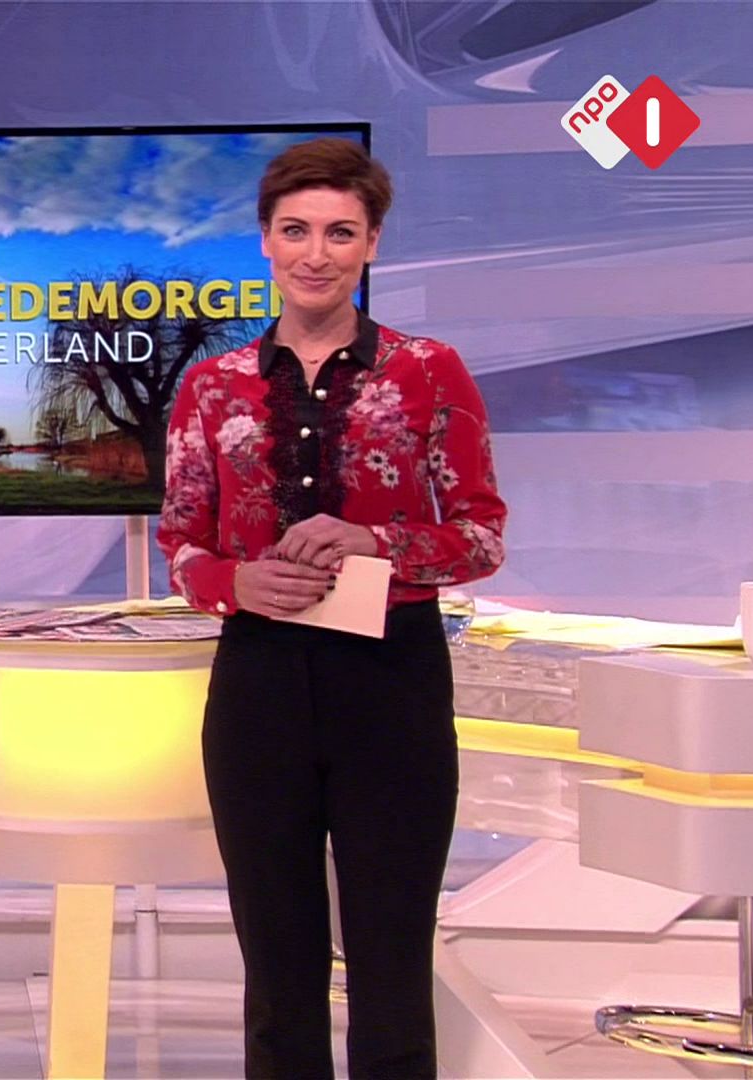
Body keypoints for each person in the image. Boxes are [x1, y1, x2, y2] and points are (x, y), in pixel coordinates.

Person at [159, 138, 506, 1078]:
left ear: (373, 244)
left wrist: (376, 540)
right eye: (296, 230)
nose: (316, 253)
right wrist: (234, 584)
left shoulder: (428, 370)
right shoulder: (212, 385)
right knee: (277, 967)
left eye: (340, 233)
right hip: (260, 683)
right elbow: (181, 540)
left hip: (391, 678)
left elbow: (480, 536)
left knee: (392, 960)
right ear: (265, 241)